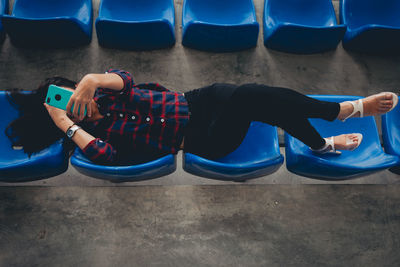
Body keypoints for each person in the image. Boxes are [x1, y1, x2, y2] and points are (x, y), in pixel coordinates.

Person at [5, 69, 398, 165]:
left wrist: (91, 79)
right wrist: (67, 124)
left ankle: (324, 139)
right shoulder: (85, 137)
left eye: (73, 94)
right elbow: (107, 156)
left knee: (255, 98)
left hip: (198, 100)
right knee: (250, 100)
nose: (77, 102)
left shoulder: (101, 89)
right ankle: (342, 114)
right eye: (67, 105)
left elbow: (125, 78)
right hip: (202, 138)